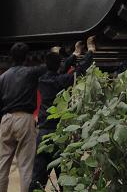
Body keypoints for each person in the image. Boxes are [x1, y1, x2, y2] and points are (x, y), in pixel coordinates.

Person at [29, 37, 96, 192]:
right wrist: (90, 51)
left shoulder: (43, 79)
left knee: (38, 177)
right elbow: (80, 71)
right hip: (59, 135)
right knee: (64, 178)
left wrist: (75, 53)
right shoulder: (61, 81)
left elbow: (60, 68)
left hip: (43, 134)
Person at [0, 43, 47, 192]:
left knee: (1, 165)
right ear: (27, 58)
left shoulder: (3, 77)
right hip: (24, 119)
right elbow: (50, 67)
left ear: (11, 57)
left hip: (6, 119)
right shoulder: (31, 73)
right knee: (26, 166)